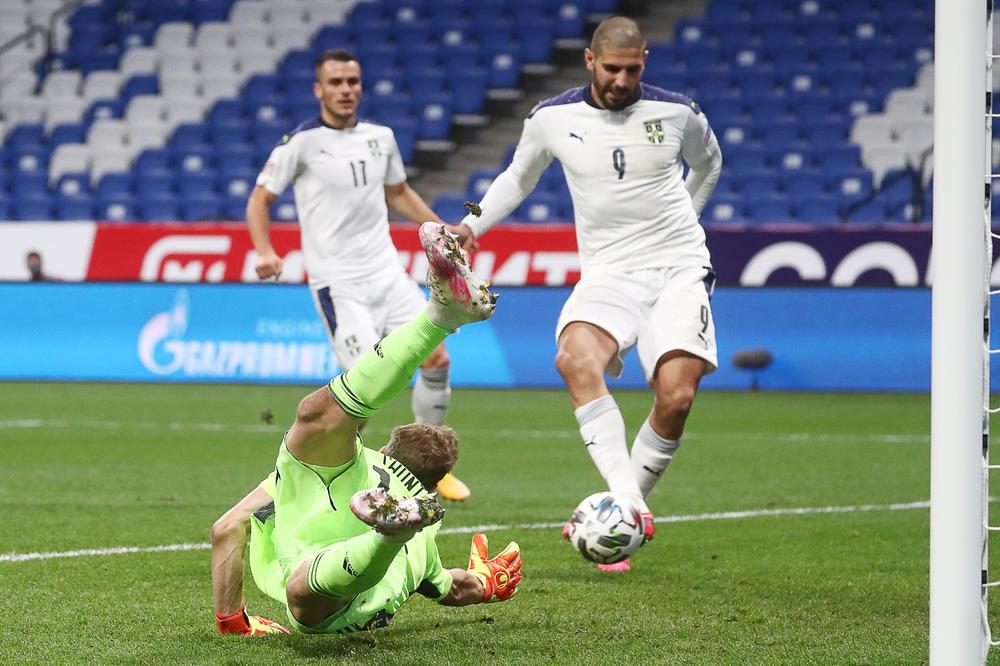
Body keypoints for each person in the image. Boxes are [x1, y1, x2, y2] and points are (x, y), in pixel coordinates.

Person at [447, 17, 723, 572]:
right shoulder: (552, 118)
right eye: (613, 68)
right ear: (590, 61)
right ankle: (628, 508)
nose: (623, 80)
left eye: (633, 69)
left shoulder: (678, 112)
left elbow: (709, 164)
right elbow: (517, 178)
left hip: (677, 269)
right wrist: (471, 226)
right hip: (608, 273)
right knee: (575, 359)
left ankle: (625, 509)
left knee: (676, 398)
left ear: (645, 59)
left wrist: (683, 225)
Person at [211, 223, 521, 636]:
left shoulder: (366, 467)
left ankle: (437, 319)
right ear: (429, 487)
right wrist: (487, 584)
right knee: (311, 582)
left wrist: (233, 622)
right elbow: (453, 589)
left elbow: (226, 528)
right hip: (355, 593)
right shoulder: (426, 540)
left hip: (320, 602)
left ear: (387, 449)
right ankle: (387, 537)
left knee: (304, 582)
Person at [246, 48, 472, 501]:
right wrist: (265, 251)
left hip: (386, 273)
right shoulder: (301, 143)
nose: (345, 90)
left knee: (437, 360)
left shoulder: (381, 137)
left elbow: (399, 192)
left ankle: (432, 467)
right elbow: (259, 199)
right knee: (368, 384)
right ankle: (313, 472)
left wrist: (441, 231)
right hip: (339, 283)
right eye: (335, 82)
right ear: (319, 90)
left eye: (352, 81)